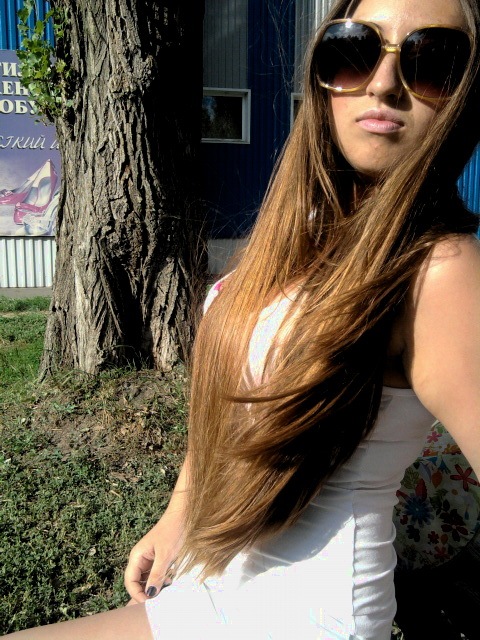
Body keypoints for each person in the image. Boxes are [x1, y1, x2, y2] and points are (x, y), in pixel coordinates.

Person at [6, 0, 480, 637]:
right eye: (354, 49)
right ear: (322, 76)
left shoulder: (439, 271)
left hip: (308, 619)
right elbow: (235, 397)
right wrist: (178, 513)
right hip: (212, 586)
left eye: (433, 61)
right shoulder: (305, 229)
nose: (383, 82)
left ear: (466, 96)